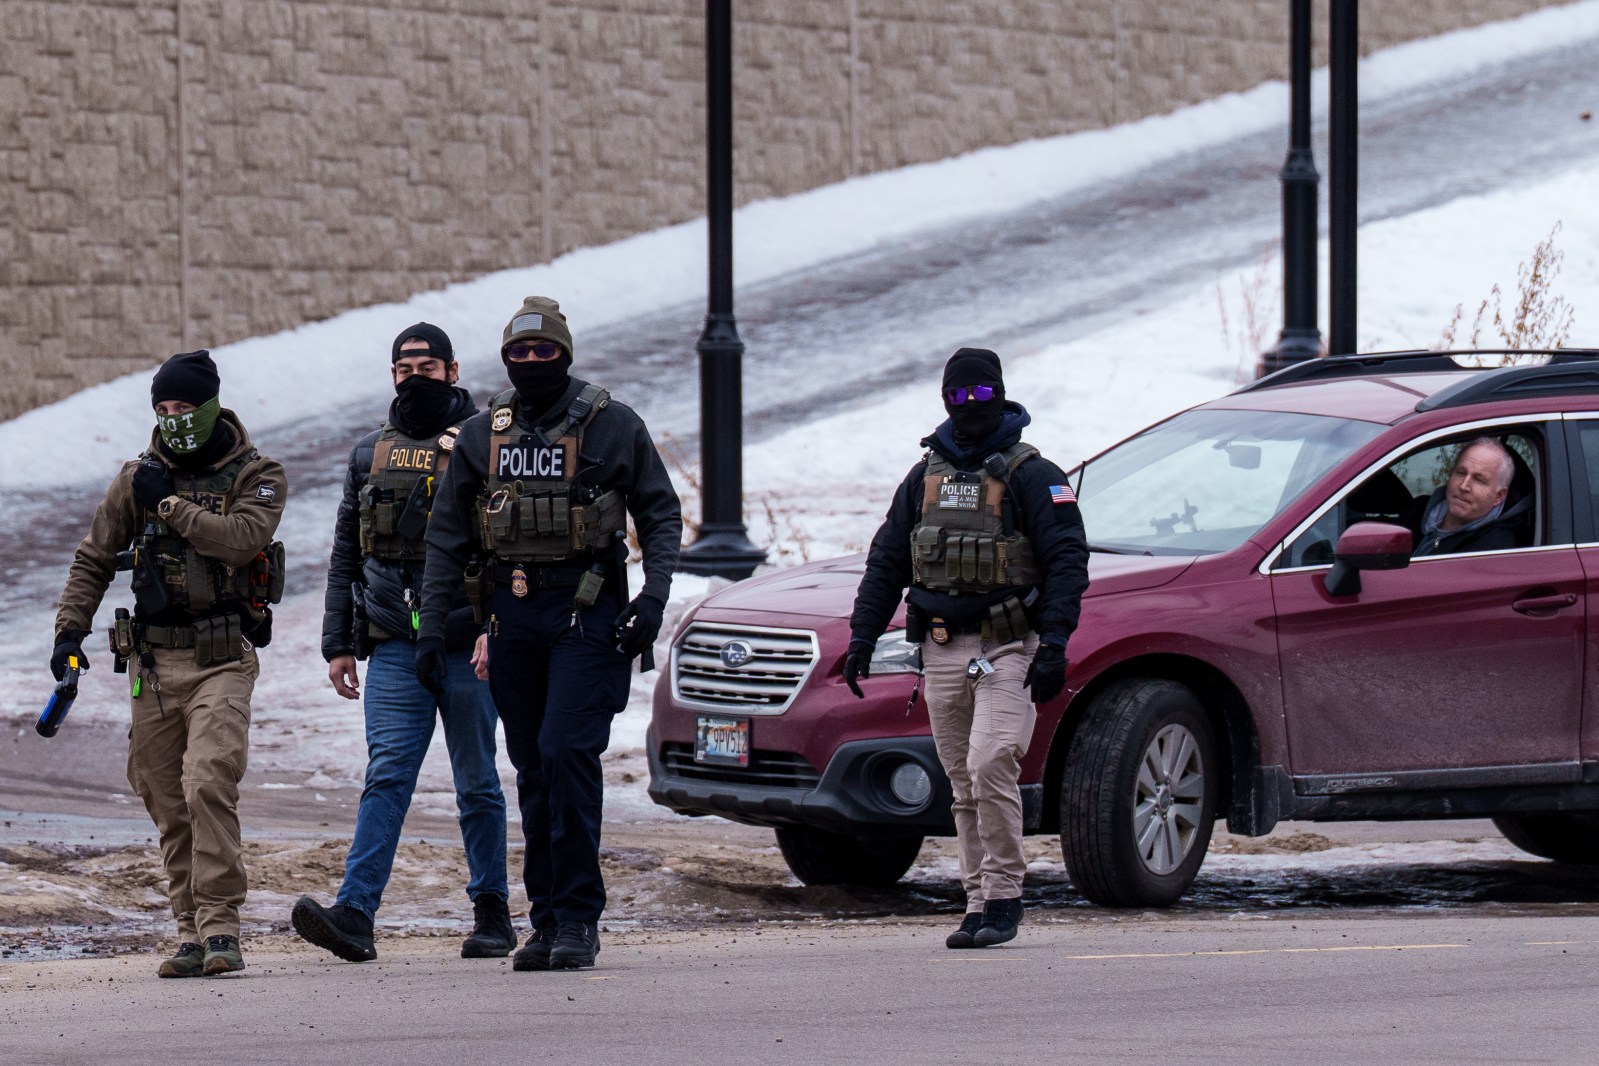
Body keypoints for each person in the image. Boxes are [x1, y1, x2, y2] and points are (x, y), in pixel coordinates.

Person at [418, 296, 682, 971]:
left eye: (544, 351)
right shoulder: (482, 435)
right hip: (512, 618)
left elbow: (658, 514)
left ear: (565, 354)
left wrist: (652, 598)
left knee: (567, 754)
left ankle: (578, 918)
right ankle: (543, 920)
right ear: (505, 358)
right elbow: (447, 538)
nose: (532, 362)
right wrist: (430, 630)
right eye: (519, 352)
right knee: (533, 768)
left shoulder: (612, 425)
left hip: (585, 613)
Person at [52, 349, 287, 978]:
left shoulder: (256, 473)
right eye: (163, 408)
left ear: (210, 404)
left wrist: (170, 507)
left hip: (222, 660)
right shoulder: (139, 477)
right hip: (152, 666)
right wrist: (68, 632)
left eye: (184, 406)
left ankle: (221, 930)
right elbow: (94, 558)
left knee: (208, 779)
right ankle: (188, 931)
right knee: (163, 796)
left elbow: (241, 540)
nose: (174, 417)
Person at [845, 347, 1088, 949]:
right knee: (963, 781)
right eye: (959, 396)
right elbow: (888, 560)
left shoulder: (1034, 473)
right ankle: (977, 900)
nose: (970, 407)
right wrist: (862, 635)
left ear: (1000, 395)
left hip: (1010, 646)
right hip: (943, 647)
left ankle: (1004, 896)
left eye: (981, 395)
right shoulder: (924, 476)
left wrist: (1054, 642)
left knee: (991, 762)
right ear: (945, 400)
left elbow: (1067, 562)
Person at [291, 323, 512, 963]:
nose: (413, 376)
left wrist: (495, 629)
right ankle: (355, 915)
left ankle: (492, 914)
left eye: (426, 365)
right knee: (386, 776)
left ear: (452, 369)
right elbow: (344, 556)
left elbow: (507, 548)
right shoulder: (369, 454)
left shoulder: (484, 444)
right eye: (402, 366)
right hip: (392, 646)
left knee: (476, 784)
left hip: (467, 644)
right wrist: (338, 643)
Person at [1405, 437, 1525, 556]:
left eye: (1479, 480)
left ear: (1499, 496)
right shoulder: (1416, 512)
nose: (1464, 486)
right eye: (1461, 473)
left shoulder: (1494, 550)